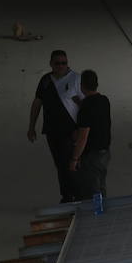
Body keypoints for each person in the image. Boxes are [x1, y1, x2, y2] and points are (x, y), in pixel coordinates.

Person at [27, 49, 81, 203]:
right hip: (52, 131)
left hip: (70, 131)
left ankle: (73, 196)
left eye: (64, 63)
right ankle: (67, 195)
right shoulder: (45, 80)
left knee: (69, 164)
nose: (61, 66)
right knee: (60, 164)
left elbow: (85, 106)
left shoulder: (76, 79)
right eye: (57, 63)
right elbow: (37, 102)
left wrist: (80, 129)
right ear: (51, 64)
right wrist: (31, 126)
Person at [69, 69, 111, 201]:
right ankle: (102, 212)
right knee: (101, 186)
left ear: (82, 86)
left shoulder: (86, 108)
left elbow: (82, 138)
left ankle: (96, 217)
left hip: (92, 156)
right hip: (104, 152)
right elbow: (94, 110)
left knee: (92, 190)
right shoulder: (104, 100)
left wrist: (74, 159)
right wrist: (80, 103)